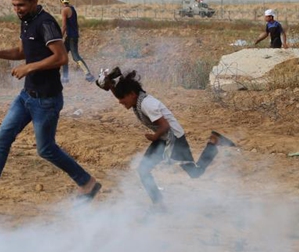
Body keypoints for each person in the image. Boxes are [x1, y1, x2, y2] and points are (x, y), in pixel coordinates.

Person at [0, 0, 102, 205]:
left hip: (47, 100)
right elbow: (21, 51)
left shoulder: (46, 24)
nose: (17, 9)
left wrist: (29, 67)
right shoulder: (27, 22)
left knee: (46, 149)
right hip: (26, 96)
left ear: (34, 2)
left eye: (22, 5)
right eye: (14, 5)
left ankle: (87, 182)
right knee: (2, 140)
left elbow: (61, 57)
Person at [96, 67, 235, 207]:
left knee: (195, 172)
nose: (120, 102)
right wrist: (109, 85)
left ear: (131, 94)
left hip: (174, 138)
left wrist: (154, 137)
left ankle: (214, 141)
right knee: (143, 170)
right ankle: (159, 204)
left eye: (122, 98)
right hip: (163, 138)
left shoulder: (147, 104)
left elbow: (165, 125)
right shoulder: (136, 99)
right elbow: (121, 94)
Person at [59, 0, 94, 83]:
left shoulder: (64, 10)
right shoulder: (72, 8)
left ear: (61, 0)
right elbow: (75, 24)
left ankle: (88, 74)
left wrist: (59, 37)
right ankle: (65, 77)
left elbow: (64, 26)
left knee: (75, 57)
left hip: (71, 37)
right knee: (63, 55)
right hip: (72, 36)